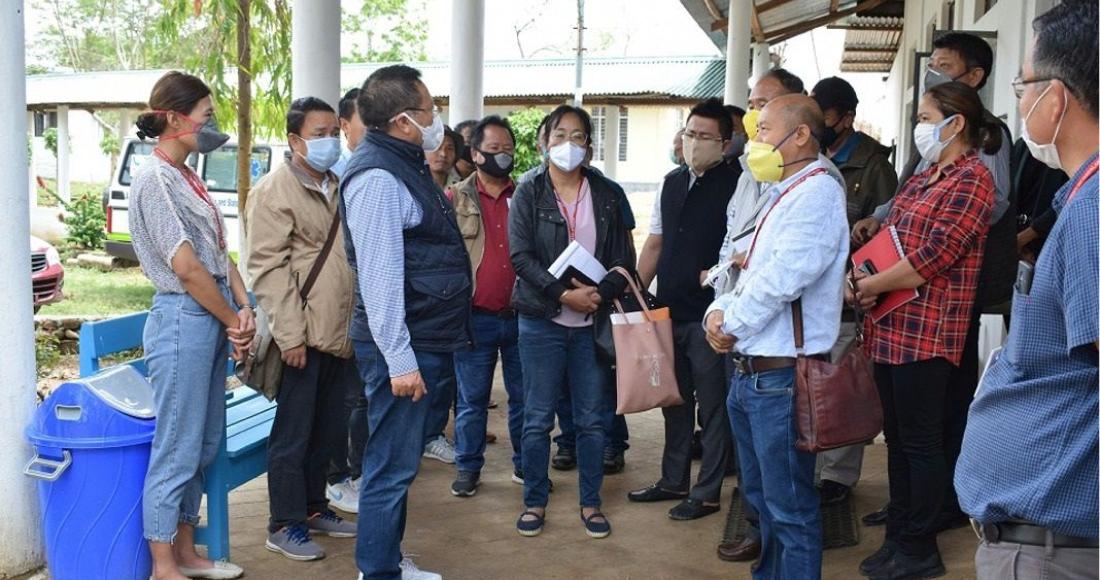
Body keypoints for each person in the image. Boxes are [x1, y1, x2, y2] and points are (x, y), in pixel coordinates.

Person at [956, 3, 1099, 578]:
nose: (1019, 103)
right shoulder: (1079, 198)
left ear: (1056, 98)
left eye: (1023, 86)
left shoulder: (1094, 211)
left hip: (1054, 549)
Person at [852, 31, 1015, 531]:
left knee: (924, 440)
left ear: (955, 122)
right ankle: (901, 526)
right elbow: (893, 231)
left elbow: (936, 254)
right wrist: (863, 275)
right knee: (899, 440)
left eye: (925, 119)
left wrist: (872, 285)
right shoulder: (926, 175)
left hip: (929, 329)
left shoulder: (973, 176)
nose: (919, 128)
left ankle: (918, 541)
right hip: (891, 324)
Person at [705, 94, 849, 580]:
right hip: (752, 373)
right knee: (764, 502)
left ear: (801, 134)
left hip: (780, 376)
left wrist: (731, 324)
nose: (754, 140)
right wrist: (717, 310)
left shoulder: (818, 192)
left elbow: (783, 279)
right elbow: (744, 264)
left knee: (790, 508)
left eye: (764, 129)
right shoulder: (782, 190)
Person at [341, 64, 469, 580]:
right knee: (391, 466)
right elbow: (380, 278)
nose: (437, 120)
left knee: (398, 462)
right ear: (402, 121)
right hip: (403, 344)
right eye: (430, 111)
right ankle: (378, 571)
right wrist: (400, 360)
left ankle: (386, 561)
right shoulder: (377, 178)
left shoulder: (403, 165)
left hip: (421, 336)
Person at [130, 71, 253, 580]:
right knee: (177, 446)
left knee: (202, 443)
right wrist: (232, 320)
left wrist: (243, 308)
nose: (212, 123)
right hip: (184, 319)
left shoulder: (187, 176)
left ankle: (185, 550)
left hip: (210, 316)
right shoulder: (155, 179)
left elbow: (219, 256)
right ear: (174, 119)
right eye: (206, 114)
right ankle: (163, 564)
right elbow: (185, 267)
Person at [509, 104, 633, 540]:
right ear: (544, 143)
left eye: (578, 136)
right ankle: (535, 501)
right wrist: (563, 295)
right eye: (559, 135)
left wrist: (601, 293)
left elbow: (624, 257)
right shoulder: (529, 191)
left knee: (593, 418)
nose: (568, 145)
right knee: (537, 417)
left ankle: (591, 502)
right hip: (541, 320)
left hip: (592, 324)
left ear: (590, 146)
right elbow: (520, 256)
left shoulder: (607, 193)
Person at [246, 97, 359, 560]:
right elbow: (268, 269)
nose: (329, 141)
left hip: (339, 333)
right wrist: (290, 336)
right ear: (295, 140)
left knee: (327, 430)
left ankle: (313, 508)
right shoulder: (273, 191)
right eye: (318, 134)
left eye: (334, 132)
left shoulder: (339, 183)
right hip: (301, 337)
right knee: (292, 435)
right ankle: (284, 523)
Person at [629, 98, 737, 521]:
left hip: (710, 317)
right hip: (667, 311)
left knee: (712, 406)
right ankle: (673, 479)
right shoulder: (672, 182)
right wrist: (637, 293)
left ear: (725, 143)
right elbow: (655, 243)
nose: (694, 142)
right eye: (690, 133)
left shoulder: (738, 183)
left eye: (704, 136)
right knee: (673, 400)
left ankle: (707, 491)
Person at [809, 76, 898, 506]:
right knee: (811, 387)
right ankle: (813, 467)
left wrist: (862, 283)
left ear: (846, 118)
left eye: (824, 116)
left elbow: (889, 236)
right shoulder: (807, 157)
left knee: (842, 387)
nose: (818, 124)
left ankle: (837, 476)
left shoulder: (874, 167)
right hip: (809, 295)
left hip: (851, 299)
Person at [445, 115, 525, 496]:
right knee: (471, 400)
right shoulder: (454, 198)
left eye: (508, 149)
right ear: (475, 154)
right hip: (475, 317)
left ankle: (526, 465)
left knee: (525, 398)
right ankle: (468, 468)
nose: (502, 155)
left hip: (522, 316)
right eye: (494, 149)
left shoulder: (525, 195)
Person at [326, 86, 370, 514]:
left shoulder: (375, 169)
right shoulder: (337, 174)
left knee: (360, 396)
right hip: (336, 306)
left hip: (363, 301)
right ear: (345, 125)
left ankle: (356, 471)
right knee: (345, 398)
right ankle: (338, 476)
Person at [332, 87, 367, 180]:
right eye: (367, 118)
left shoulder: (391, 164)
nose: (375, 125)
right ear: (345, 125)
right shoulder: (333, 172)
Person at [427, 126, 462, 190]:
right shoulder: (412, 186)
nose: (443, 154)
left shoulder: (462, 188)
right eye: (437, 147)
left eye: (449, 148)